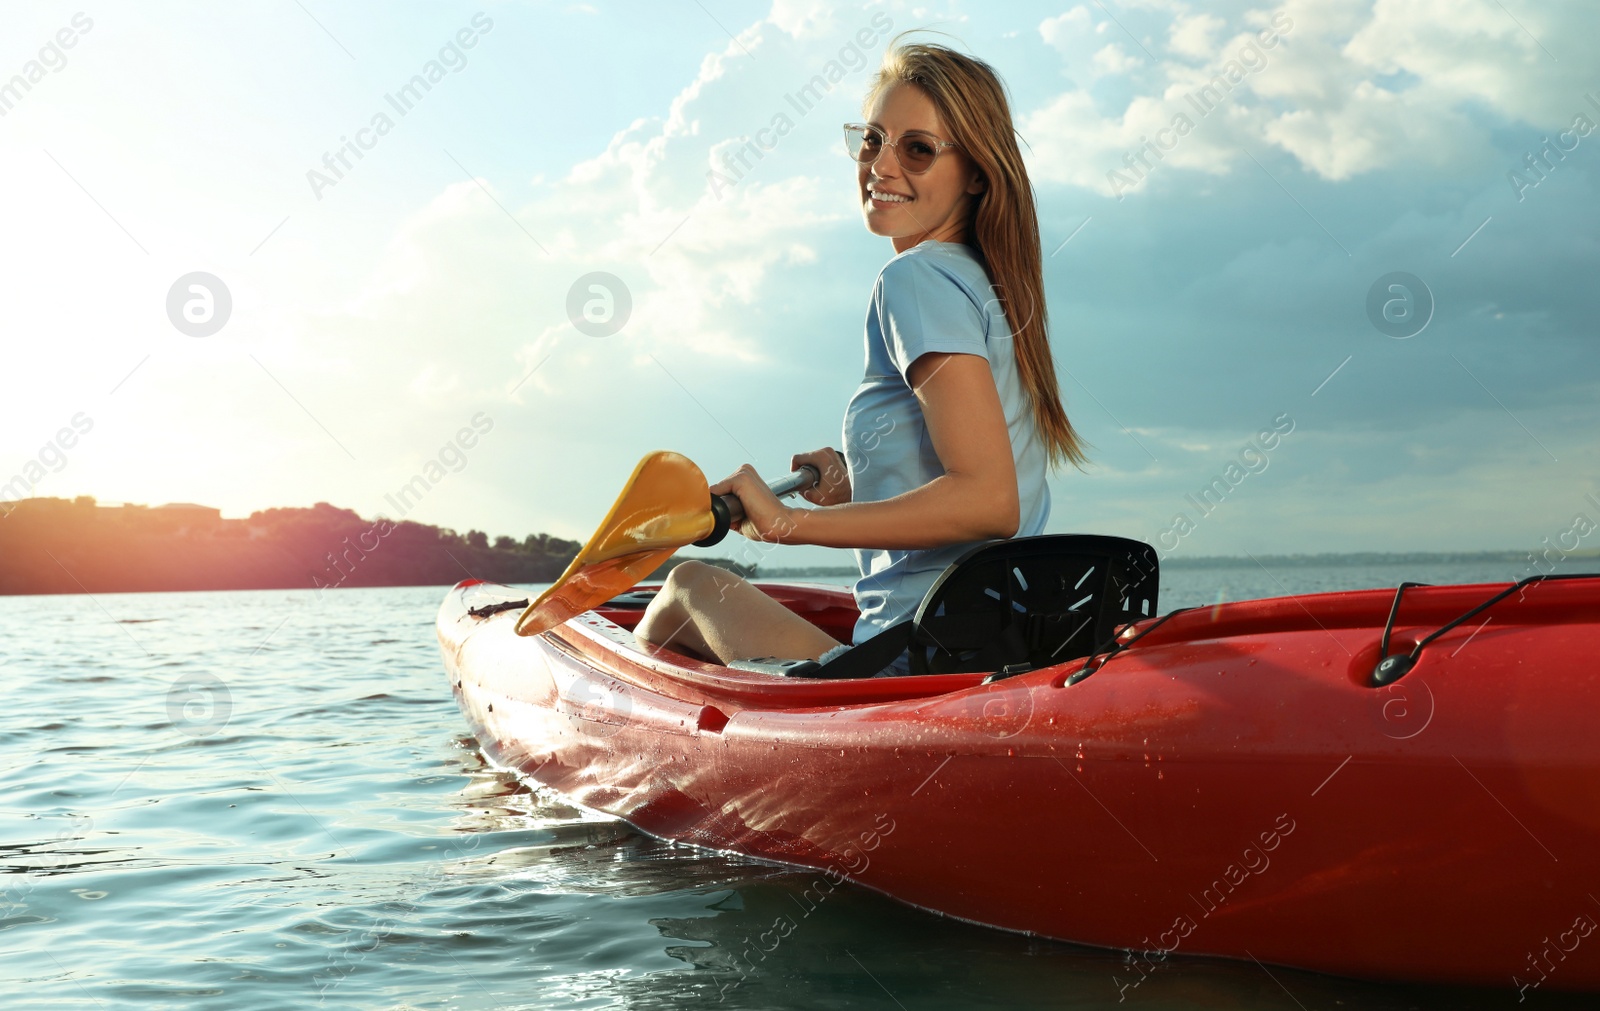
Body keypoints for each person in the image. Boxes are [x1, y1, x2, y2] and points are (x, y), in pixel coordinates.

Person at [635, 38, 1086, 676]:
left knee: (685, 590)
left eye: (918, 148)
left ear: (977, 174)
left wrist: (788, 525)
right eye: (873, 139)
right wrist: (860, 477)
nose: (881, 165)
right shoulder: (993, 291)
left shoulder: (915, 281)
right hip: (996, 644)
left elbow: (990, 502)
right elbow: (975, 458)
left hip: (918, 658)